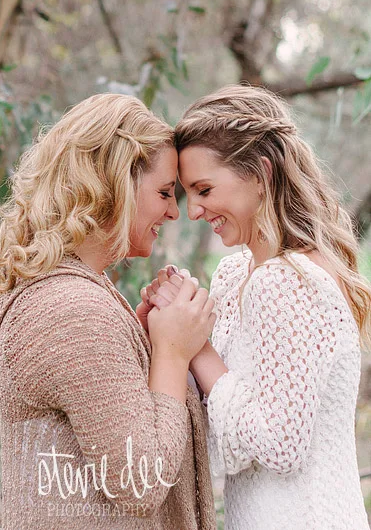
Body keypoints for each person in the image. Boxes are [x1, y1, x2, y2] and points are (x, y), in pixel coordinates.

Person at [0, 93, 217, 530]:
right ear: (113, 184)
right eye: (164, 192)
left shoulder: (77, 295)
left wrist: (145, 341)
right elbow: (139, 480)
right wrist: (170, 352)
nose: (172, 211)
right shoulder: (72, 311)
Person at [139, 84, 371, 530]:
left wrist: (199, 346)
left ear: (260, 173)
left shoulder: (289, 281)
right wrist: (173, 326)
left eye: (204, 189)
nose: (194, 211)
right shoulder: (235, 274)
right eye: (189, 193)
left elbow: (279, 446)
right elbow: (232, 431)